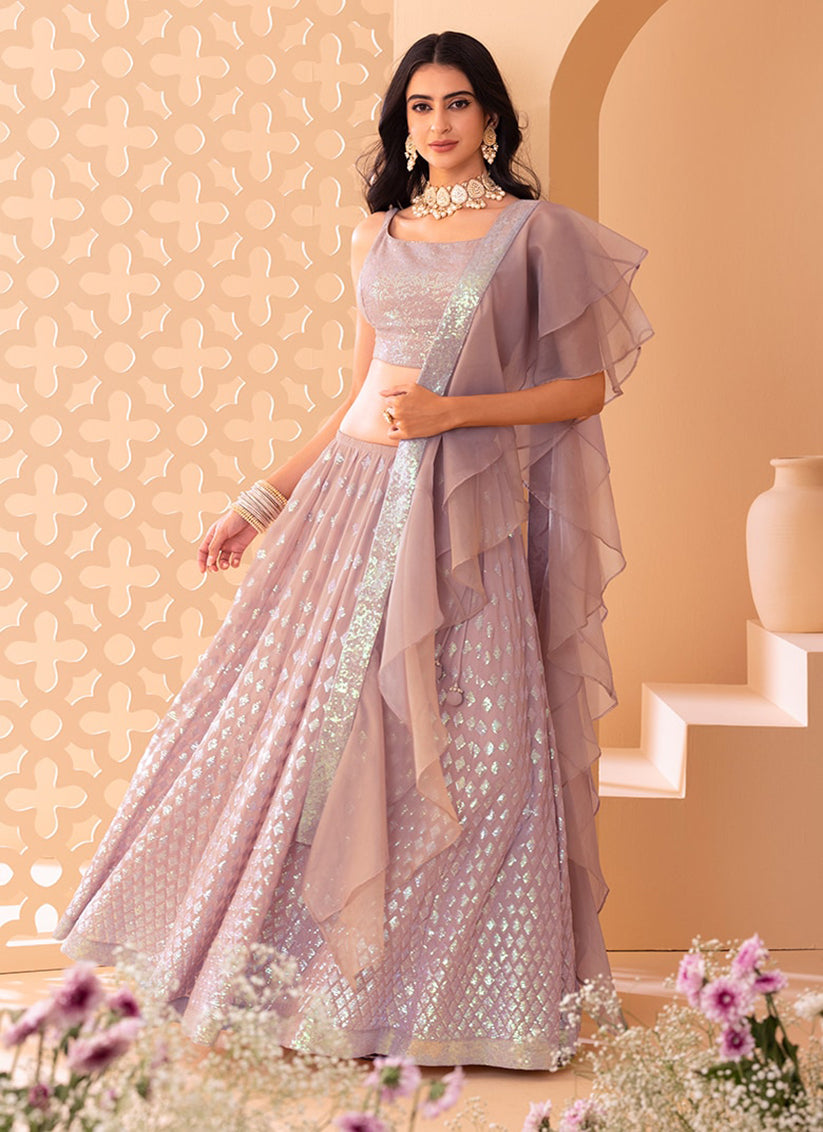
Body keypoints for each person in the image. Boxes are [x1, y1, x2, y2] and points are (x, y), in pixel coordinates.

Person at [55, 30, 652, 1071]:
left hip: (461, 518)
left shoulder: (535, 233)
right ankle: (304, 992)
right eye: (420, 106)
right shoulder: (377, 234)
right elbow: (358, 396)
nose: (439, 123)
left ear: (491, 117)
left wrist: (454, 413)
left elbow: (583, 388)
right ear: (402, 124)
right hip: (349, 505)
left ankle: (468, 999)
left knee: (485, 756)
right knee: (305, 743)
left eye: (456, 103)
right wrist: (260, 499)